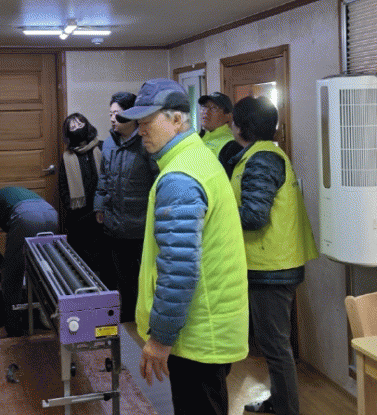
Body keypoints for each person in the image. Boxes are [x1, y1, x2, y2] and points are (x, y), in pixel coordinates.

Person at [118, 78, 249, 415]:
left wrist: (161, 338)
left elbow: (179, 269)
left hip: (197, 332)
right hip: (208, 325)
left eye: (148, 121)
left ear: (177, 120)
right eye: (138, 122)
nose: (141, 130)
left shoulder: (180, 177)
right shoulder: (197, 158)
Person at [229, 96, 318, 415]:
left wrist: (217, 213)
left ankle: (287, 409)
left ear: (241, 127)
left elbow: (254, 216)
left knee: (276, 346)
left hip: (272, 267)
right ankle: (279, 401)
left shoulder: (261, 159)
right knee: (273, 344)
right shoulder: (263, 154)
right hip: (273, 263)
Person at [94, 91, 158, 321]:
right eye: (110, 113)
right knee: (120, 277)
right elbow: (103, 178)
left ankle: (141, 321)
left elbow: (157, 179)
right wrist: (99, 206)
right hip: (114, 223)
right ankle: (127, 321)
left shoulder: (146, 143)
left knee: (140, 280)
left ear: (132, 116)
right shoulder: (109, 143)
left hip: (140, 225)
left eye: (117, 114)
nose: (112, 118)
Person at [0, 186, 58, 337]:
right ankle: (47, 315)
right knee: (42, 269)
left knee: (11, 276)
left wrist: (0, 265)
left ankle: (11, 328)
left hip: (25, 216)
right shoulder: (6, 196)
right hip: (51, 214)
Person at [58, 113, 109, 280]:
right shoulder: (67, 157)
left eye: (79, 124)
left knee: (104, 258)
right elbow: (63, 186)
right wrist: (70, 205)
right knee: (82, 260)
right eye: (72, 127)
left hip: (102, 212)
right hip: (79, 216)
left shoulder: (102, 147)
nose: (77, 128)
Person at [198, 91, 242, 175]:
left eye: (214, 108)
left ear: (228, 116)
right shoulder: (198, 136)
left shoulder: (230, 145)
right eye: (204, 106)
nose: (206, 111)